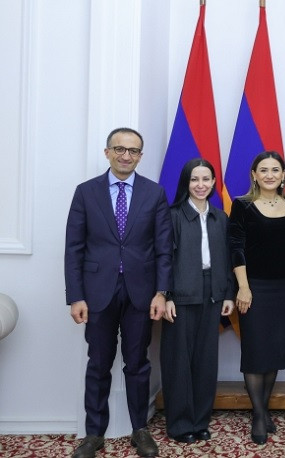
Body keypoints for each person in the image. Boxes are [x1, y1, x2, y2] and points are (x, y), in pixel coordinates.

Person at [65, 127, 172, 458]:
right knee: (98, 363)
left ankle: (140, 429)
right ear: (107, 152)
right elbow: (74, 248)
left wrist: (161, 292)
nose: (127, 156)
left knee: (137, 363)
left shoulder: (154, 194)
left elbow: (163, 249)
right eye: (120, 149)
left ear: (141, 156)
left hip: (141, 294)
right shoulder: (86, 192)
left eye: (134, 151)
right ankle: (94, 433)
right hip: (97, 294)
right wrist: (76, 296)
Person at [228, 151, 285, 445]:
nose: (270, 174)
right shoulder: (243, 205)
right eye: (264, 170)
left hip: (283, 286)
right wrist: (243, 287)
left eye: (276, 169)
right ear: (254, 175)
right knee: (255, 351)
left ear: (283, 175)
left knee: (274, 349)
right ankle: (259, 415)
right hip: (255, 287)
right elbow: (236, 247)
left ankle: (264, 408)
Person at [160, 158, 235, 444]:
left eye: (206, 179)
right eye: (195, 179)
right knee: (179, 360)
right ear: (186, 182)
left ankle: (200, 420)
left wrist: (227, 293)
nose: (200, 185)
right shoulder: (173, 215)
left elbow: (227, 259)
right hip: (180, 293)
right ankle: (180, 424)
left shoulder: (220, 217)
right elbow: (163, 258)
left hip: (213, 292)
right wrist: (165, 294)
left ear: (214, 183)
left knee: (205, 360)